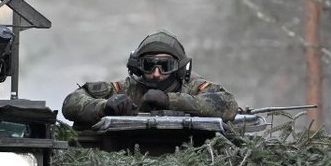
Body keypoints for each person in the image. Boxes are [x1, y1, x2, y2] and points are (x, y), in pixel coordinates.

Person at [61, 31, 238, 128]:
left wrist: (170, 101)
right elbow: (72, 102)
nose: (156, 73)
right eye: (148, 65)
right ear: (137, 67)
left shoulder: (193, 87)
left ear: (179, 68)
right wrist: (103, 107)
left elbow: (228, 104)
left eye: (165, 66)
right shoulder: (126, 89)